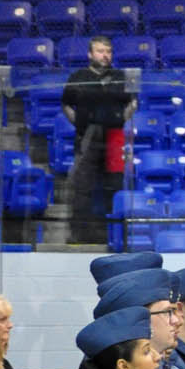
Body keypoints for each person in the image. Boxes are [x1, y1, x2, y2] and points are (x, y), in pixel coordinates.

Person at [62, 35, 134, 246]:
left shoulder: (120, 76)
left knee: (115, 186)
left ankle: (117, 236)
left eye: (108, 52)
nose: (105, 55)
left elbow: (132, 103)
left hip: (114, 137)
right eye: (101, 51)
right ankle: (79, 235)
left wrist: (120, 121)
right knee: (82, 187)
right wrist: (80, 125)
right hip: (88, 136)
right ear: (90, 54)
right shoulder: (78, 77)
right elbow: (66, 104)